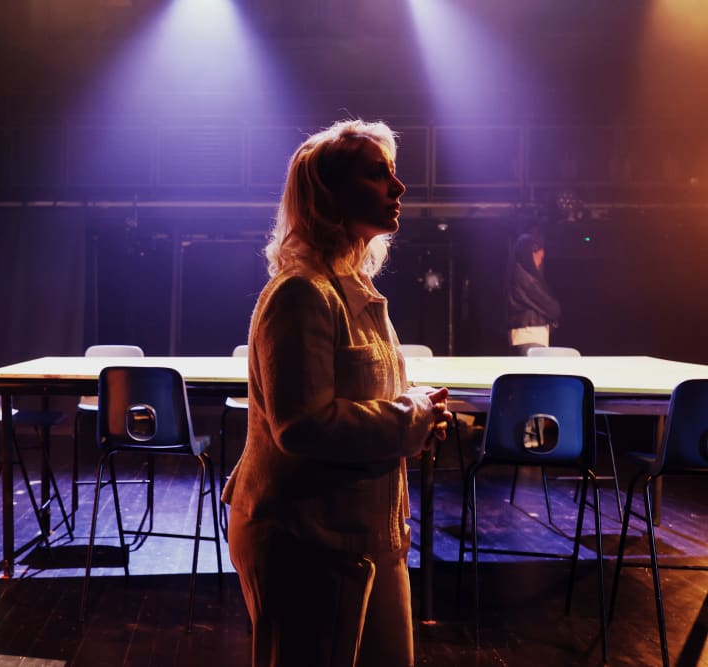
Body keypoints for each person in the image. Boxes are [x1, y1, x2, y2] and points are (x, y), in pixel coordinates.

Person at [221, 119, 452, 667]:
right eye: (378, 174)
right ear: (329, 195)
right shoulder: (302, 293)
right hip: (304, 540)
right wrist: (410, 417)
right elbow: (302, 425)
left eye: (393, 173)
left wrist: (417, 413)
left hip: (361, 535)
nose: (398, 188)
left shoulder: (352, 289)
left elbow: (362, 393)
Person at [506, 231, 561, 355]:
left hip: (529, 337)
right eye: (538, 256)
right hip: (530, 337)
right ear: (529, 254)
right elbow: (553, 309)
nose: (540, 261)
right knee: (536, 373)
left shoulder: (518, 275)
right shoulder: (525, 280)